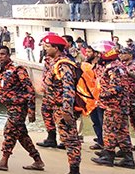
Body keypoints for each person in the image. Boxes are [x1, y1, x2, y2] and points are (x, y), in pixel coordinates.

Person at [0, 46, 44, 171]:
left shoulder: (17, 69)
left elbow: (30, 90)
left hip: (19, 107)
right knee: (22, 135)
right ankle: (38, 161)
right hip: (10, 107)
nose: (0, 56)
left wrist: (32, 111)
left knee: (9, 131)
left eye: (3, 54)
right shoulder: (1, 70)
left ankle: (3, 162)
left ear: (8, 55)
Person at [41, 33, 81, 174]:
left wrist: (66, 109)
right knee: (66, 139)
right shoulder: (53, 62)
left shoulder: (64, 64)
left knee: (70, 140)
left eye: (47, 46)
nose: (45, 49)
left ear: (56, 48)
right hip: (55, 106)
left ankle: (74, 171)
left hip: (63, 108)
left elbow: (68, 88)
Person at [92, 43, 134, 167]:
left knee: (109, 130)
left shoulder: (114, 68)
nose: (98, 55)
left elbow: (116, 88)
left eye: (100, 53)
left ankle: (108, 156)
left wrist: (100, 95)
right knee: (122, 132)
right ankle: (128, 159)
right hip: (118, 105)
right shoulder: (116, 66)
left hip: (114, 106)